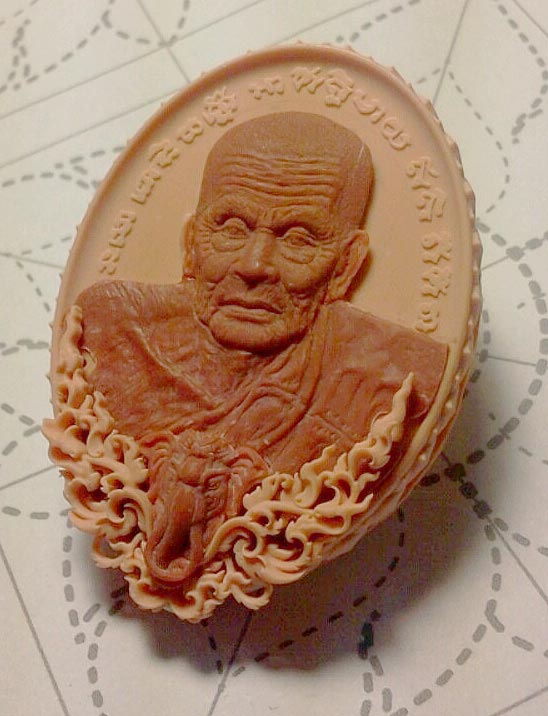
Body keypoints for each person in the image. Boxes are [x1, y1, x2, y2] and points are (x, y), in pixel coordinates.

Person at [76, 112, 447, 586]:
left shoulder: (391, 375)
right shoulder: (113, 328)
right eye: (231, 228)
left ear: (345, 266)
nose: (254, 266)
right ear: (191, 243)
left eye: (298, 239)